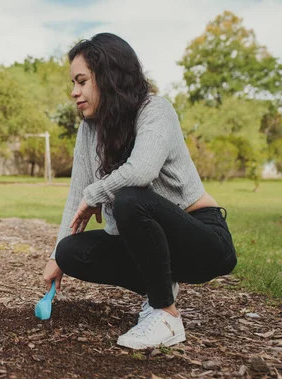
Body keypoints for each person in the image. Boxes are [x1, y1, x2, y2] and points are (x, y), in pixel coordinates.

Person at [42, 33, 237, 350]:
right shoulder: (88, 130)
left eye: (82, 81)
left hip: (204, 240)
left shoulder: (155, 110)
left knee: (130, 199)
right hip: (150, 242)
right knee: (71, 252)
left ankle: (166, 315)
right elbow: (76, 197)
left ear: (109, 77)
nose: (74, 92)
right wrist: (55, 257)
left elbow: (141, 171)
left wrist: (96, 193)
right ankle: (161, 288)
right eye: (73, 83)